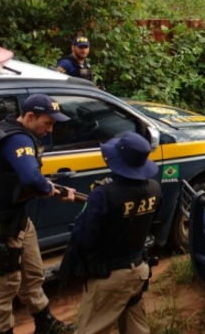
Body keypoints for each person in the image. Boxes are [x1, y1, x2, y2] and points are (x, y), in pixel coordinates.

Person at [0, 94, 77, 334]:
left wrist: (55, 188)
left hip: (18, 220)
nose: (49, 130)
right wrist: (47, 187)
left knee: (32, 274)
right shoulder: (17, 139)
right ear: (30, 116)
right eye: (47, 123)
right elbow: (31, 178)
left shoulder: (10, 129)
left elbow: (22, 181)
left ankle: (45, 323)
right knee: (4, 287)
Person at [69, 132, 162, 334]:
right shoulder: (155, 188)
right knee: (136, 327)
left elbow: (84, 238)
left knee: (91, 329)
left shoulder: (102, 194)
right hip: (138, 270)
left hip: (109, 277)